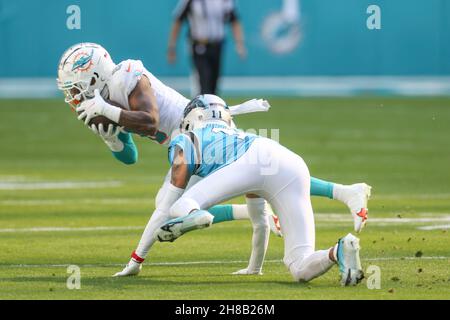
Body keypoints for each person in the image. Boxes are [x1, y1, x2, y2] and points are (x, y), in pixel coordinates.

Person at [56, 43, 371, 277]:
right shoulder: (104, 103)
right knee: (265, 179)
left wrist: (135, 261)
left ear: (94, 77)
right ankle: (342, 197)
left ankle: (340, 193)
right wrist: (110, 137)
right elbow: (130, 157)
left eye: (75, 87)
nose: (72, 96)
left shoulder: (127, 77)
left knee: (172, 208)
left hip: (194, 134)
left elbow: (149, 121)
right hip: (241, 147)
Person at [155, 94, 364, 285]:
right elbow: (261, 222)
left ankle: (197, 214)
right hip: (290, 162)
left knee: (181, 204)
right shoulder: (238, 136)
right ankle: (339, 251)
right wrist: (254, 269)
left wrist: (139, 255)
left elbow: (172, 189)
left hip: (249, 163)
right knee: (299, 266)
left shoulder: (190, 138)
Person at [167, 0, 247, 94]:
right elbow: (178, 21)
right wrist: (171, 47)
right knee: (204, 85)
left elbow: (234, 20)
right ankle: (201, 106)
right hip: (199, 46)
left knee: (214, 86)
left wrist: (240, 43)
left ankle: (210, 105)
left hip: (217, 46)